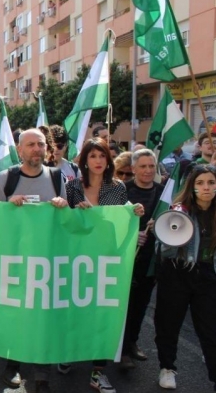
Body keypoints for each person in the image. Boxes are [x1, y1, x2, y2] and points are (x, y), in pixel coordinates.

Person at [59, 139, 144, 393]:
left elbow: (120, 221)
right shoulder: (72, 187)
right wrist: (73, 211)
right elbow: (64, 223)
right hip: (76, 260)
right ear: (85, 160)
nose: (98, 160)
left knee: (102, 314)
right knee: (74, 307)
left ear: (108, 161)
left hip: (106, 260)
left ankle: (98, 372)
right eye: (93, 156)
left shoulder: (117, 188)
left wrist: (133, 211)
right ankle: (69, 352)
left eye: (102, 156)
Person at [0, 129, 69, 393]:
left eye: (40, 144)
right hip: (13, 261)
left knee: (43, 316)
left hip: (47, 262)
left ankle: (41, 372)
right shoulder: (5, 179)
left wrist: (63, 206)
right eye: (31, 145)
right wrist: (6, 206)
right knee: (15, 315)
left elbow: (67, 223)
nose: (36, 149)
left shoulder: (58, 179)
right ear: (20, 150)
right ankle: (12, 365)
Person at [155, 164, 216, 391]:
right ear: (192, 187)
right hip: (177, 273)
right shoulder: (180, 210)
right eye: (200, 183)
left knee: (210, 329)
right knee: (169, 323)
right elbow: (164, 247)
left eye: (211, 182)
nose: (206, 187)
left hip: (207, 275)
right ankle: (167, 367)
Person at [121, 149, 163, 371]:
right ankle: (122, 349)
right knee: (124, 306)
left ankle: (132, 342)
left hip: (151, 260)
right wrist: (132, 235)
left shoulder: (164, 193)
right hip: (125, 259)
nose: (148, 171)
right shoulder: (121, 190)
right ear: (133, 168)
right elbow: (111, 223)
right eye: (143, 166)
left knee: (141, 305)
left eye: (151, 166)